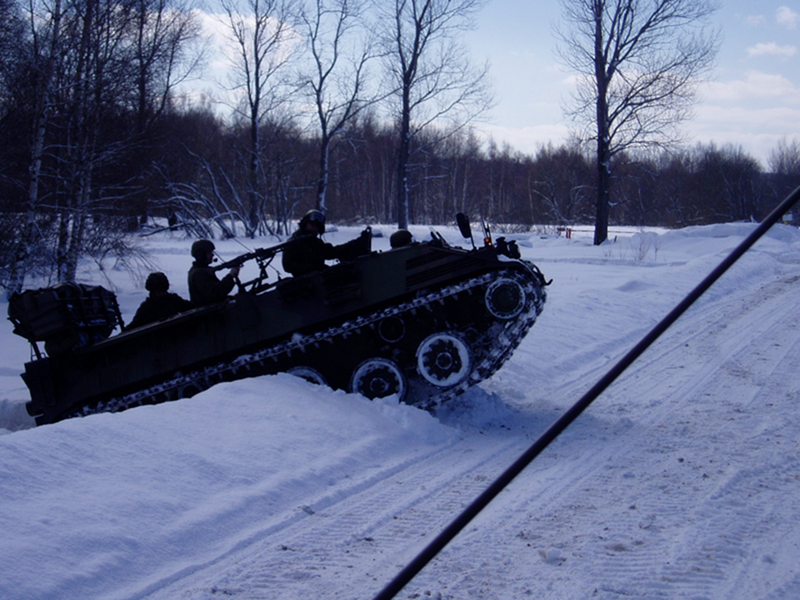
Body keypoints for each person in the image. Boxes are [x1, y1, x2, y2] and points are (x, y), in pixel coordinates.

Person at [282, 210, 370, 276]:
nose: (314, 229)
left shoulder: (315, 242)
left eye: (317, 227)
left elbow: (331, 252)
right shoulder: (294, 242)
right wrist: (313, 268)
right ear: (305, 224)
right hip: (305, 282)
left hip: (318, 277)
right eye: (311, 225)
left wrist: (353, 244)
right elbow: (288, 265)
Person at [127, 272, 193, 330]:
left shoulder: (173, 300)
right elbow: (133, 327)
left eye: (164, 291)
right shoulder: (147, 308)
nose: (162, 293)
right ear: (153, 292)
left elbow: (190, 308)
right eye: (159, 291)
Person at [188, 239, 240, 306]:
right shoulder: (199, 274)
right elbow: (215, 293)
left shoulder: (200, 270)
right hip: (210, 311)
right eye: (209, 252)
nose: (212, 255)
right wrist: (230, 276)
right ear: (201, 255)